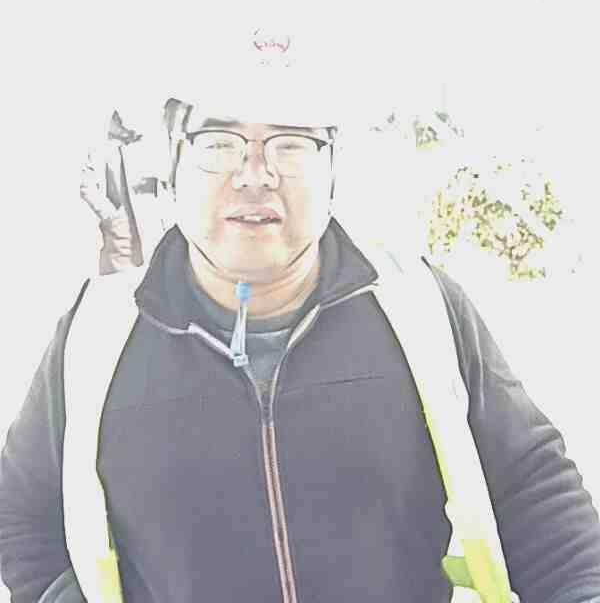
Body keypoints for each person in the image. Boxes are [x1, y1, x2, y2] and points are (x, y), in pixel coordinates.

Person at [1, 30, 599, 603]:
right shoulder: (96, 335)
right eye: (218, 142)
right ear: (174, 162)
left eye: (291, 143)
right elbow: (21, 510)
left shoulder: (420, 309)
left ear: (333, 166)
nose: (254, 175)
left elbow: (533, 486)